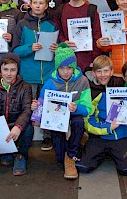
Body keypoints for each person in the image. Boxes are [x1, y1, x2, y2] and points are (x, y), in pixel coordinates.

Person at [34, 43, 92, 179]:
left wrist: (77, 108)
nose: (65, 72)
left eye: (69, 68)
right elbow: (41, 102)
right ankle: (65, 153)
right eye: (61, 68)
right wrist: (36, 118)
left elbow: (88, 108)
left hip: (75, 114)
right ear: (57, 68)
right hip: (57, 116)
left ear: (74, 68)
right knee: (59, 157)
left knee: (78, 123)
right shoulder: (50, 83)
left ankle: (71, 155)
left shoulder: (83, 81)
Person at [75, 55, 127, 176]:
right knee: (83, 167)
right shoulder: (90, 90)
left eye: (106, 71)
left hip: (119, 136)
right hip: (99, 136)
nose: (103, 75)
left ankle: (118, 152)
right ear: (93, 73)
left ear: (112, 71)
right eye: (99, 71)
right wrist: (107, 128)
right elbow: (88, 119)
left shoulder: (120, 83)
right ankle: (101, 152)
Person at [12, 0, 59, 151]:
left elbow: (61, 47)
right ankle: (26, 136)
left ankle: (47, 137)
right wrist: (29, 48)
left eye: (41, 3)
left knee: (48, 105)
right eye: (35, 2)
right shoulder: (22, 24)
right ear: (30, 4)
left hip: (48, 73)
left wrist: (57, 48)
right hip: (28, 74)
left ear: (46, 6)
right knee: (27, 107)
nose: (38, 5)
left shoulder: (53, 24)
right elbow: (14, 50)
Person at [0, 52, 33, 176]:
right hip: (2, 127)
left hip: (17, 126)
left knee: (28, 129)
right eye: (5, 69)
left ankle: (20, 156)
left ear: (18, 70)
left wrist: (18, 126)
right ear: (0, 69)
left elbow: (27, 110)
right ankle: (7, 153)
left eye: (13, 70)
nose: (9, 73)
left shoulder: (25, 87)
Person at [56, 0, 102, 72]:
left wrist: (94, 59)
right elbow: (59, 32)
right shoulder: (61, 10)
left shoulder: (92, 10)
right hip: (67, 59)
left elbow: (97, 35)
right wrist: (64, 42)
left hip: (88, 60)